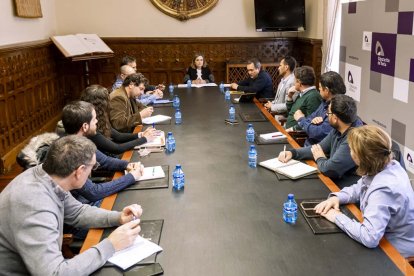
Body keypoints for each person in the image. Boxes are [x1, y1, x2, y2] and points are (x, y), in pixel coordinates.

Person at [0, 135, 143, 275]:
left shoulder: (48, 177)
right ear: (80, 171)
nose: (92, 171)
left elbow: (77, 212)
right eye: (93, 167)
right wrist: (111, 245)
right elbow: (54, 272)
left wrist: (118, 217)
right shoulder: (34, 207)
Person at [314, 125, 414, 258]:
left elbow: (370, 237)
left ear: (362, 158)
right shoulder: (386, 165)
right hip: (384, 234)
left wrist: (335, 217)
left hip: (393, 250)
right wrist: (336, 198)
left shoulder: (384, 189)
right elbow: (358, 188)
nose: (350, 152)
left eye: (352, 150)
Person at [62, 101, 143, 206]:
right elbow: (94, 192)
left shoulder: (81, 142)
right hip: (83, 206)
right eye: (94, 119)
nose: (97, 121)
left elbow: (105, 161)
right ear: (85, 126)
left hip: (90, 198)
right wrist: (131, 177)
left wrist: (126, 165)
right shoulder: (68, 152)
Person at [278, 94, 363, 180]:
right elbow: (320, 147)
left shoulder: (352, 139)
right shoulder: (339, 127)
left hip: (342, 187)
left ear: (335, 118)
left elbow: (330, 170)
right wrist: (293, 153)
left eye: (328, 112)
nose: (326, 114)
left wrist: (320, 158)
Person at [81, 84, 156, 156]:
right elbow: (116, 149)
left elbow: (118, 136)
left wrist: (140, 135)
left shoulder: (101, 117)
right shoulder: (90, 125)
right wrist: (144, 139)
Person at [292, 71, 346, 146]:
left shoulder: (337, 109)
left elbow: (318, 133)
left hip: (316, 151)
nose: (319, 90)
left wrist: (301, 119)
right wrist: (312, 122)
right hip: (308, 147)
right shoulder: (325, 102)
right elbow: (310, 118)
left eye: (320, 87)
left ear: (326, 90)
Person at [284, 66, 322, 130]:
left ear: (299, 82)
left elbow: (310, 123)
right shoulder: (302, 93)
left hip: (294, 135)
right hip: (288, 130)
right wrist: (290, 97)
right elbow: (290, 113)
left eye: (294, 80)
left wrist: (292, 129)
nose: (294, 83)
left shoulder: (313, 96)